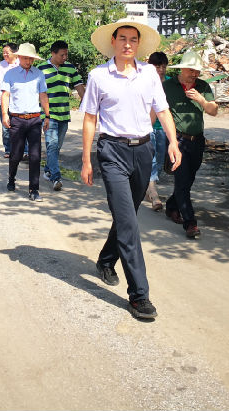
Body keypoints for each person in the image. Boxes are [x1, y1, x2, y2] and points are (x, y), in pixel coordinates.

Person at [80, 19, 181, 320]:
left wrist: (173, 142)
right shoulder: (98, 76)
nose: (127, 44)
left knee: (128, 216)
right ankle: (139, 295)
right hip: (112, 151)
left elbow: (162, 109)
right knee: (129, 223)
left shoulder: (149, 73)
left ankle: (106, 259)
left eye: (133, 39)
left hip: (144, 150)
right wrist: (86, 160)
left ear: (138, 44)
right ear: (113, 42)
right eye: (122, 38)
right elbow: (90, 119)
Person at [163, 50, 218, 239]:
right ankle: (190, 223)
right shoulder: (168, 86)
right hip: (177, 140)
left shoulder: (203, 86)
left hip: (197, 141)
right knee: (182, 180)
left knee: (188, 180)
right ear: (182, 69)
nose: (194, 74)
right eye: (191, 70)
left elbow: (213, 111)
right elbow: (157, 109)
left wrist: (201, 100)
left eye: (197, 71)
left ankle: (172, 206)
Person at [1, 43, 50, 201]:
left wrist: (47, 115)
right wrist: (5, 114)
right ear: (19, 57)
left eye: (31, 59)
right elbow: (5, 95)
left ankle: (34, 190)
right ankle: (11, 178)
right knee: (16, 154)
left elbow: (43, 95)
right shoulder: (10, 74)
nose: (28, 61)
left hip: (34, 119)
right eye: (25, 58)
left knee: (35, 156)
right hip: (17, 119)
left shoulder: (39, 74)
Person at [36, 40, 86, 192]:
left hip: (64, 114)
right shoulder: (41, 69)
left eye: (66, 55)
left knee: (56, 147)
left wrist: (88, 106)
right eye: (62, 55)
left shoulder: (70, 68)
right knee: (51, 145)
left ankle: (47, 170)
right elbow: (36, 92)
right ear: (53, 53)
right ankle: (56, 177)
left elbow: (80, 87)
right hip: (48, 115)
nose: (65, 57)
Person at [144, 52, 168, 211]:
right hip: (147, 126)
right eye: (157, 66)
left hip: (164, 127)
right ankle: (153, 194)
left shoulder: (170, 83)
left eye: (163, 66)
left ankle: (149, 185)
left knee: (160, 158)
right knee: (151, 158)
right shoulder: (144, 82)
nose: (161, 69)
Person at [0, 43, 19, 158]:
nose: (5, 54)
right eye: (4, 52)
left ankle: (24, 150)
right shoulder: (0, 65)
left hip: (18, 100)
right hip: (4, 100)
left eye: (7, 52)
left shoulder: (21, 64)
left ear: (15, 53)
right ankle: (8, 150)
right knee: (6, 125)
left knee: (21, 126)